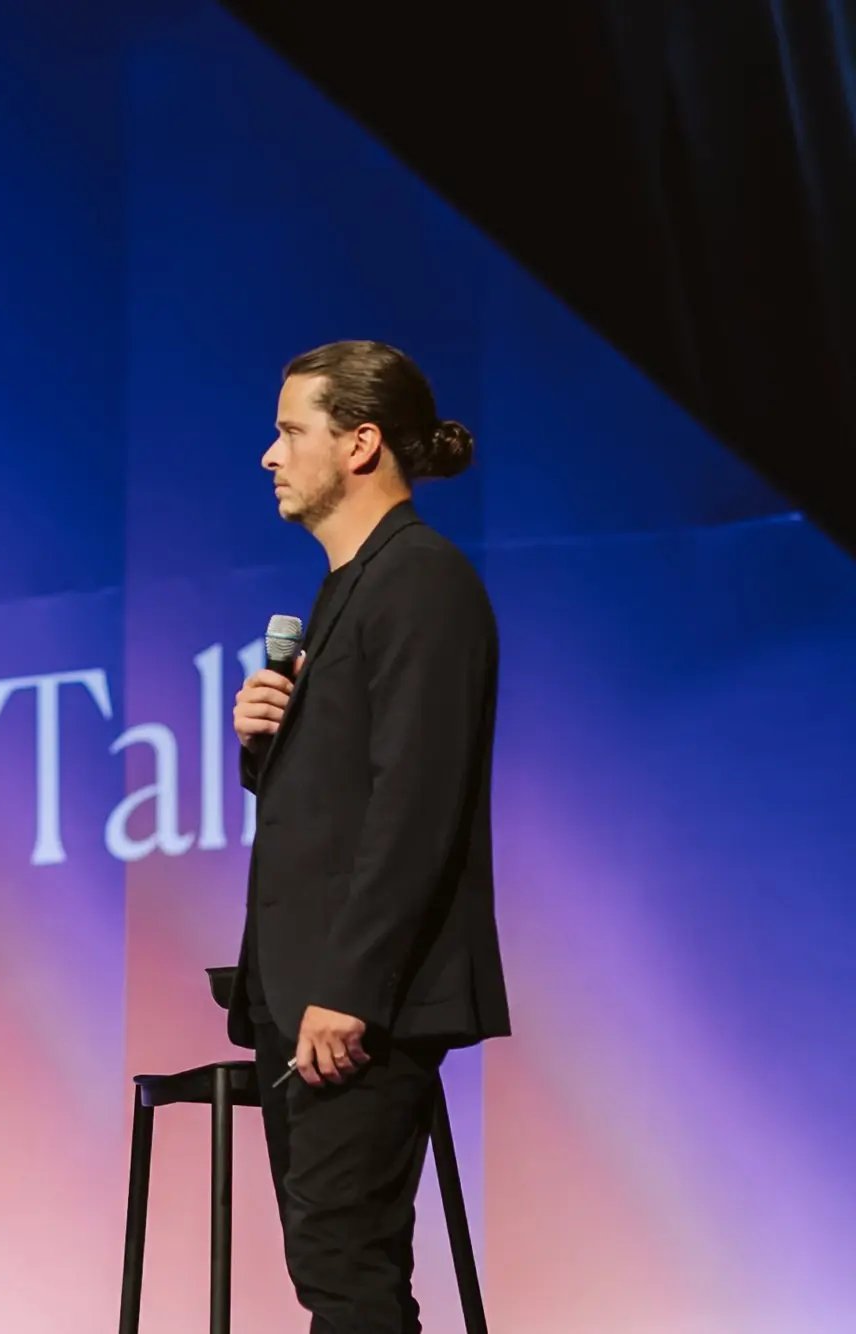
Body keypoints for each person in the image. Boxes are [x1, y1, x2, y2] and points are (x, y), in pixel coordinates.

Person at [229, 342, 509, 1332]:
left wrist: (348, 986)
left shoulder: (419, 582)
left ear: (358, 443)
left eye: (289, 430)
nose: (268, 454)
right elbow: (337, 798)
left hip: (357, 998)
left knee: (346, 1269)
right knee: (332, 1266)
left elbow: (413, 809)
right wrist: (264, 742)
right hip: (306, 990)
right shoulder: (346, 589)